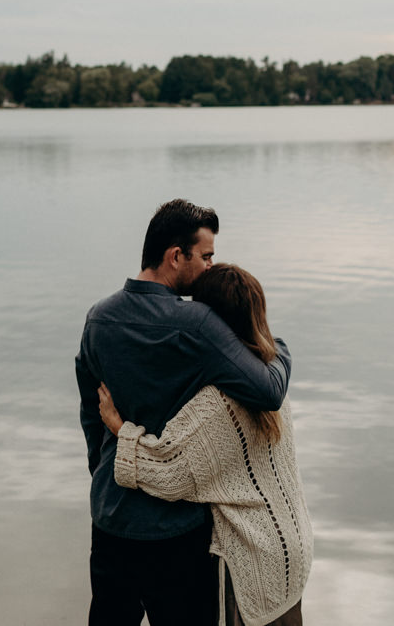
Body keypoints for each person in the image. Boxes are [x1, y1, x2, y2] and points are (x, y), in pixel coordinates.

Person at [76, 200, 292, 626]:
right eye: (206, 256)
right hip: (175, 530)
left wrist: (103, 474)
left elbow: (89, 412)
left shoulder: (98, 319)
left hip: (110, 521)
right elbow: (268, 391)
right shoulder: (197, 324)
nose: (211, 267)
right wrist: (280, 348)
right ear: (176, 256)